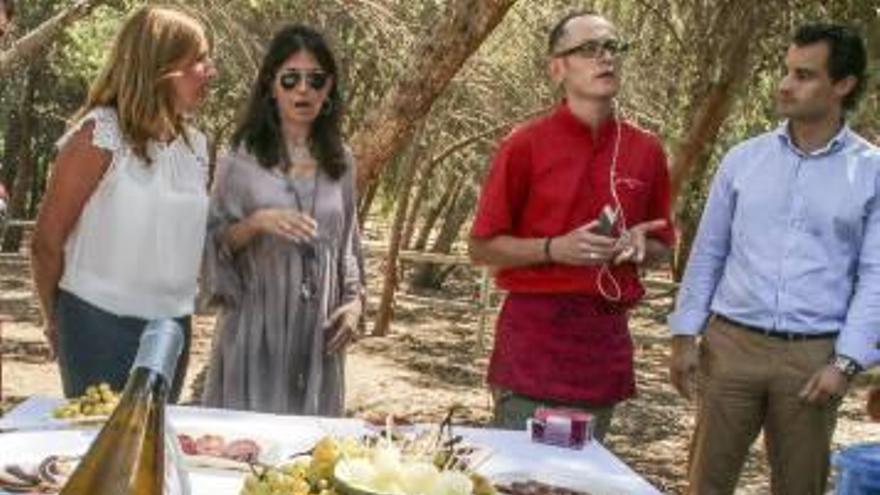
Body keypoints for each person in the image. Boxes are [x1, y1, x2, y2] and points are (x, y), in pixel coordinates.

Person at [668, 23, 878, 495]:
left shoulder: (871, 173)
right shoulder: (744, 160)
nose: (785, 84)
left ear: (842, 85)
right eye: (787, 71)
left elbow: (876, 276)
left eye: (804, 75)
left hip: (812, 358)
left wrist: (846, 363)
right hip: (731, 347)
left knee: (801, 487)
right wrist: (684, 335)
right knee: (705, 485)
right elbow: (709, 252)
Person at [468, 11, 675, 441]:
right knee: (518, 477)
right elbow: (481, 247)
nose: (606, 59)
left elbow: (663, 244)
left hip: (603, 346)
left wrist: (640, 245)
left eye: (613, 48)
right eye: (589, 49)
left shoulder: (646, 150)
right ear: (557, 68)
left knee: (584, 479)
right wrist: (552, 249)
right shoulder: (524, 145)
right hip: (533, 343)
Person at [30, 6, 216, 401]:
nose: (210, 71)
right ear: (161, 66)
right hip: (96, 324)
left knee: (151, 451)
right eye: (198, 60)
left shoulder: (196, 147)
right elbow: (46, 243)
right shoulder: (99, 135)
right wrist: (55, 319)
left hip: (172, 329)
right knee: (99, 451)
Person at [202, 24, 363, 416]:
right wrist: (256, 223)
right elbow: (211, 243)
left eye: (315, 79)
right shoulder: (238, 160)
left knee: (307, 463)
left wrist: (354, 302)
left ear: (329, 90)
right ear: (271, 87)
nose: (302, 90)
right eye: (290, 79)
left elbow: (349, 246)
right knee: (244, 448)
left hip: (317, 336)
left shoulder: (341, 161)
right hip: (256, 326)